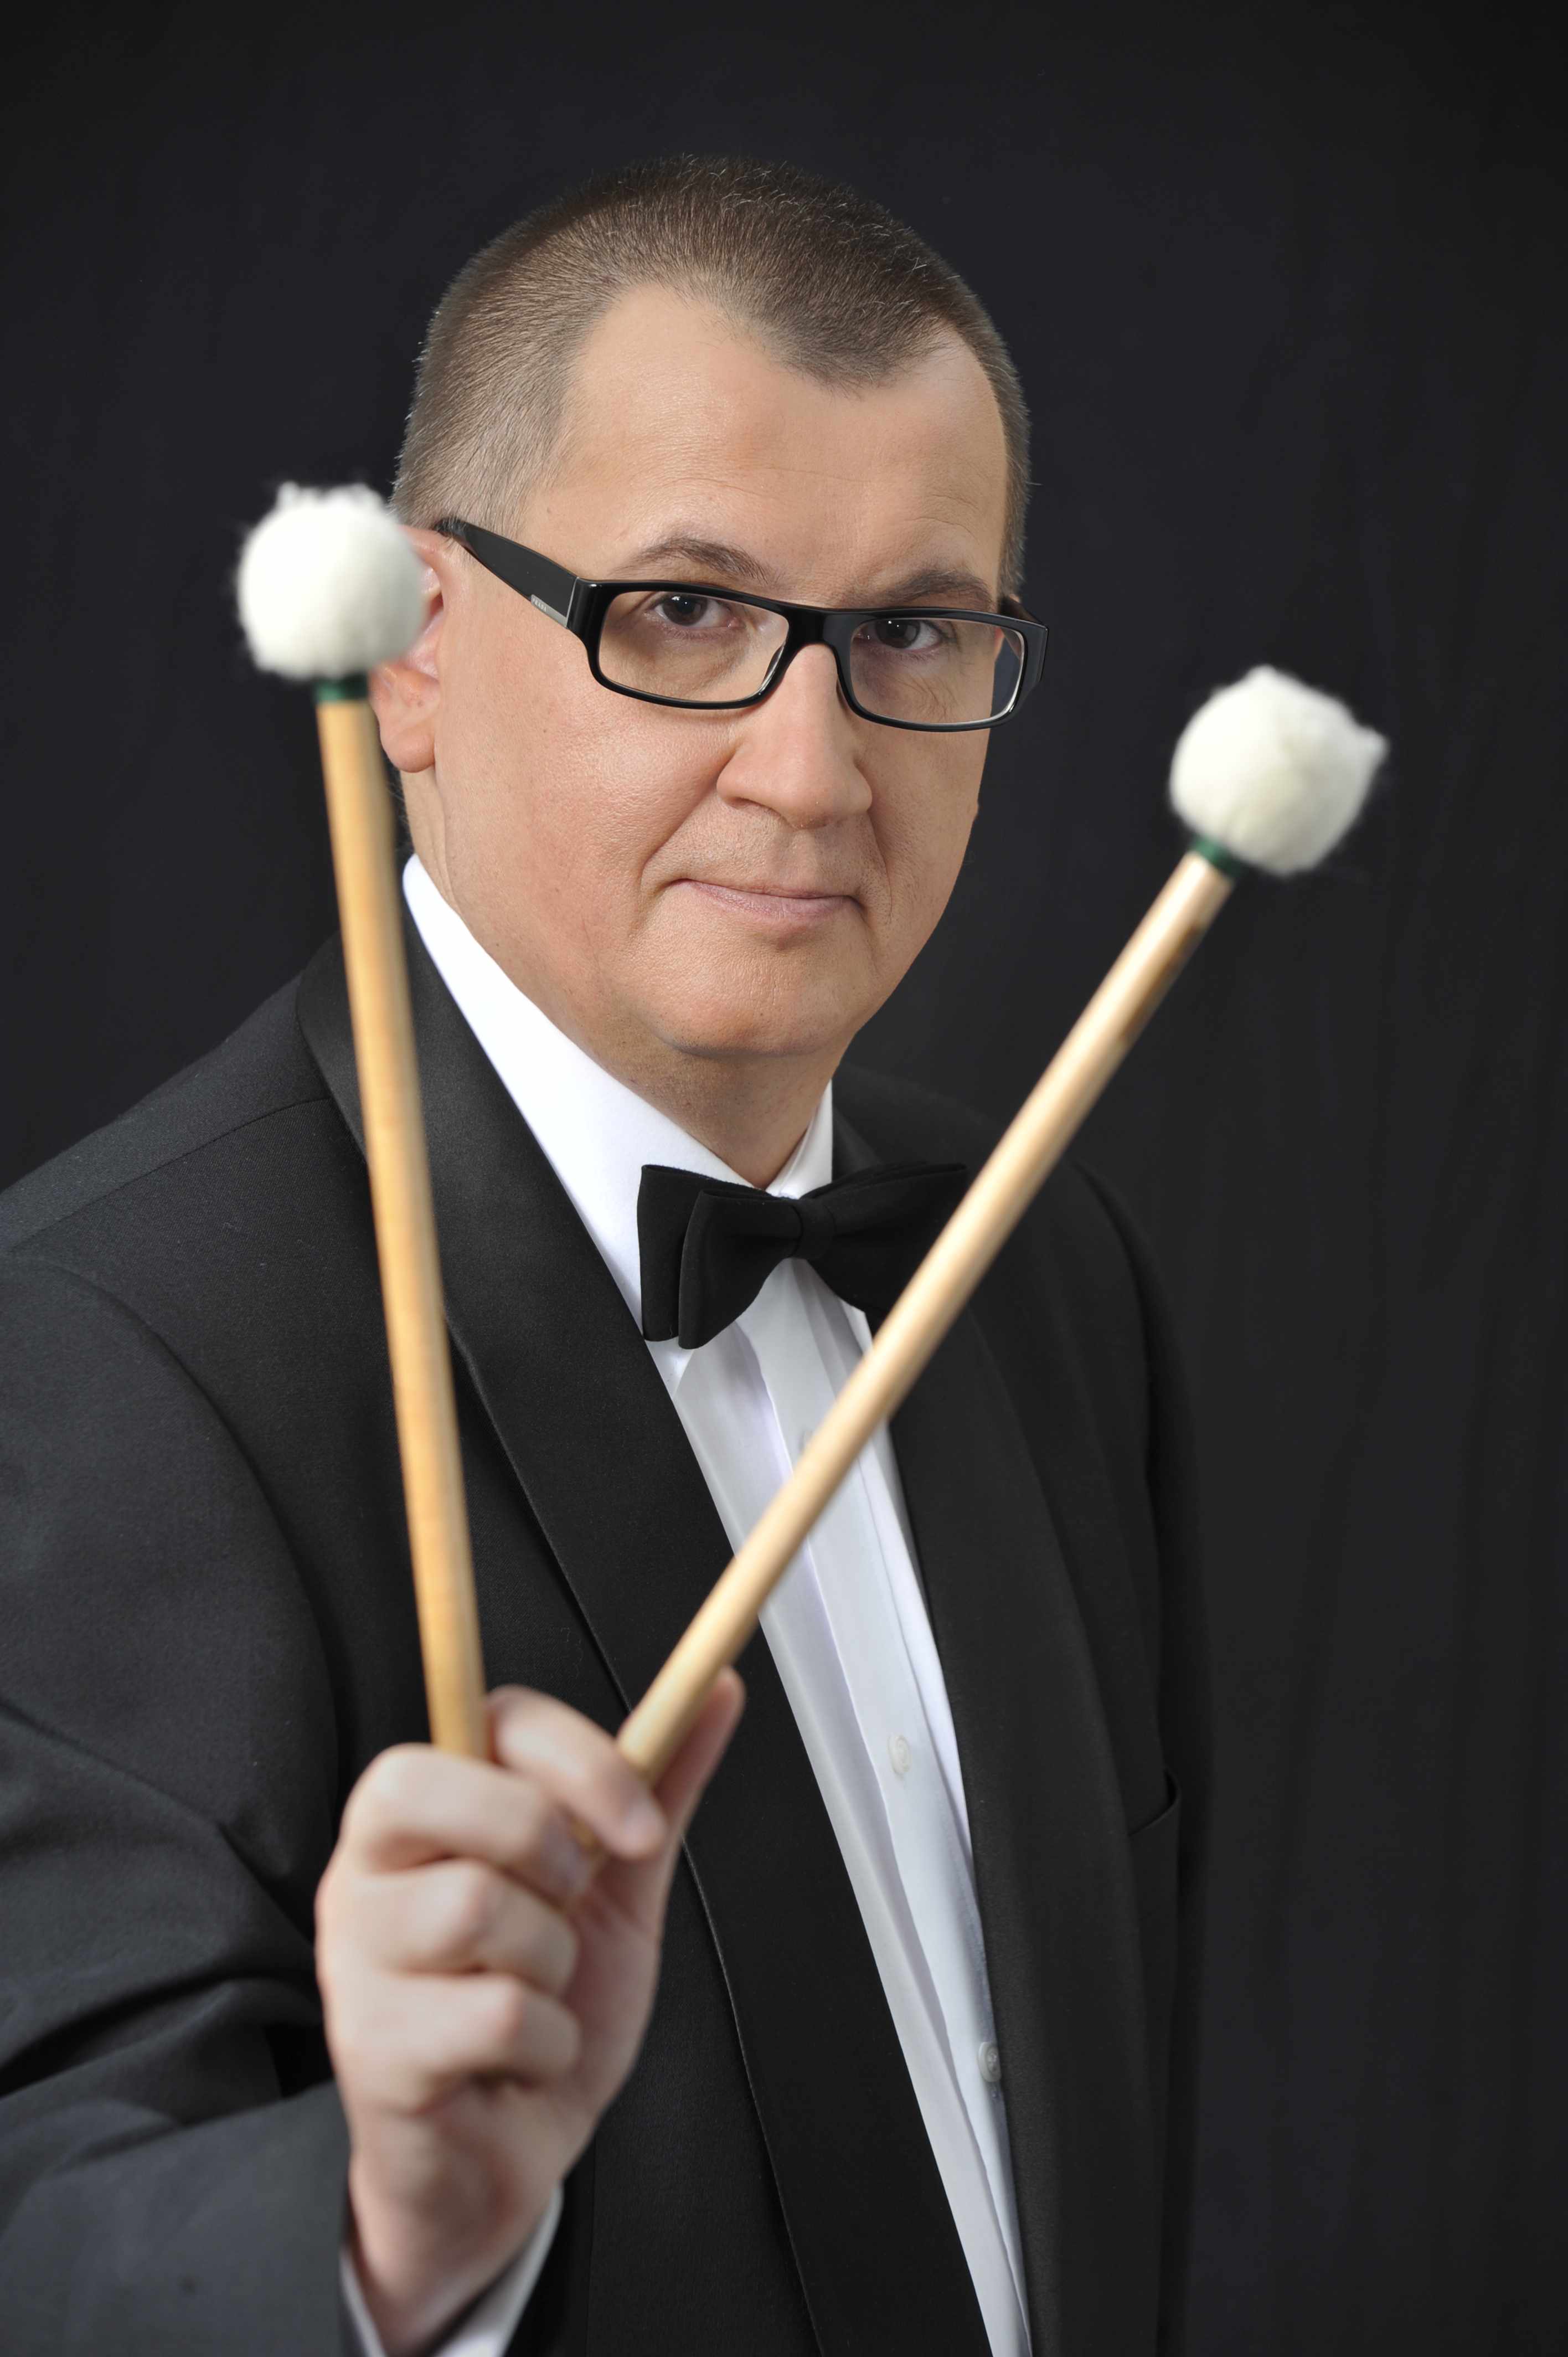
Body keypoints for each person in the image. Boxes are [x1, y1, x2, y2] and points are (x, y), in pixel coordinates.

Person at [0, 156, 1209, 2356]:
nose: (812, 772)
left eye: (913, 631)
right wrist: (387, 2229)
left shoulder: (1042, 1262)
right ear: (415, 652)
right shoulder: (94, 1354)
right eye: (680, 613)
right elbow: (59, 2243)